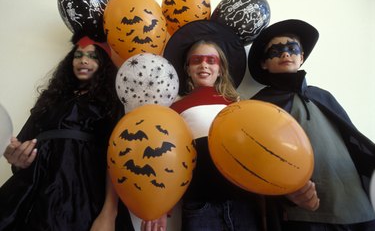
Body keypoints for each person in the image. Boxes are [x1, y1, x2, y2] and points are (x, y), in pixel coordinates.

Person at [247, 19, 375, 231]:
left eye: (291, 48)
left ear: (302, 57)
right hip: (305, 213)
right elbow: (256, 161)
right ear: (264, 63)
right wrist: (283, 192)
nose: (285, 54)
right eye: (275, 51)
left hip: (355, 203)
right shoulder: (258, 106)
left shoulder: (323, 97)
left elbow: (354, 143)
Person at [0, 33, 134, 231]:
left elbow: (115, 159)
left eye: (92, 56)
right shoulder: (50, 99)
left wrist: (109, 213)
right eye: (78, 55)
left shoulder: (110, 102)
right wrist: (17, 157)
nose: (83, 60)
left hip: (82, 194)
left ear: (104, 64)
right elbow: (23, 143)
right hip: (35, 190)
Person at [141, 20, 263, 231]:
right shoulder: (175, 108)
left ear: (220, 69)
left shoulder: (239, 105)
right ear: (187, 69)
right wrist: (161, 207)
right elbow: (166, 159)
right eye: (196, 60)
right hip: (199, 203)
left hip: (243, 201)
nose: (204, 65)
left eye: (211, 60)